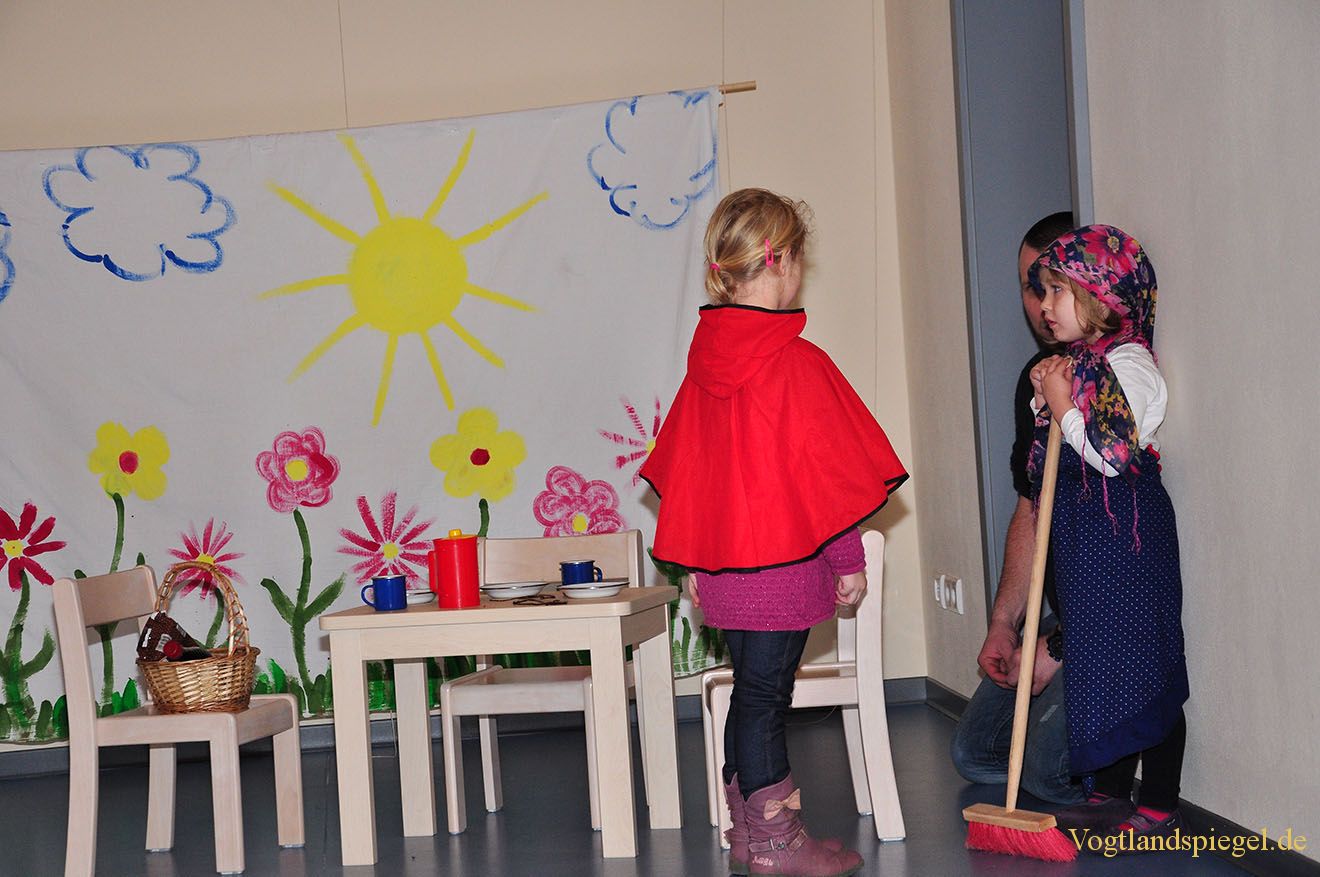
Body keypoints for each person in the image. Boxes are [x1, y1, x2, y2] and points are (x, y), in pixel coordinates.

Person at [640, 188, 907, 877]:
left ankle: (748, 833)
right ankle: (779, 843)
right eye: (799, 260)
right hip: (781, 568)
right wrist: (847, 559)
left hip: (723, 570)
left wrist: (692, 563)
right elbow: (826, 477)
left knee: (749, 692)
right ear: (781, 260)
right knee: (765, 697)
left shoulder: (704, 367)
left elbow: (689, 471)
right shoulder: (796, 362)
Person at [1027, 224, 1188, 842]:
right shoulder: (1078, 367)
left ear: (1101, 296)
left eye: (1057, 290)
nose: (1044, 304)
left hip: (1129, 539)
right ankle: (1109, 794)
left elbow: (1111, 456)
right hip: (1086, 540)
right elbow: (1050, 463)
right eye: (1044, 291)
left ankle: (1160, 803)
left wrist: (1065, 405)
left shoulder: (1129, 364)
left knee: (1144, 664)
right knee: (1100, 662)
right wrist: (1047, 402)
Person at [950, 211, 1084, 805]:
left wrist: (1058, 649)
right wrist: (1006, 623)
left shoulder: (1115, 382)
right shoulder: (1034, 382)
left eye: (1047, 285)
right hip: (1064, 614)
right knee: (975, 754)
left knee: (1043, 775)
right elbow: (1032, 510)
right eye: (1029, 287)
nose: (1037, 304)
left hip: (1113, 619)